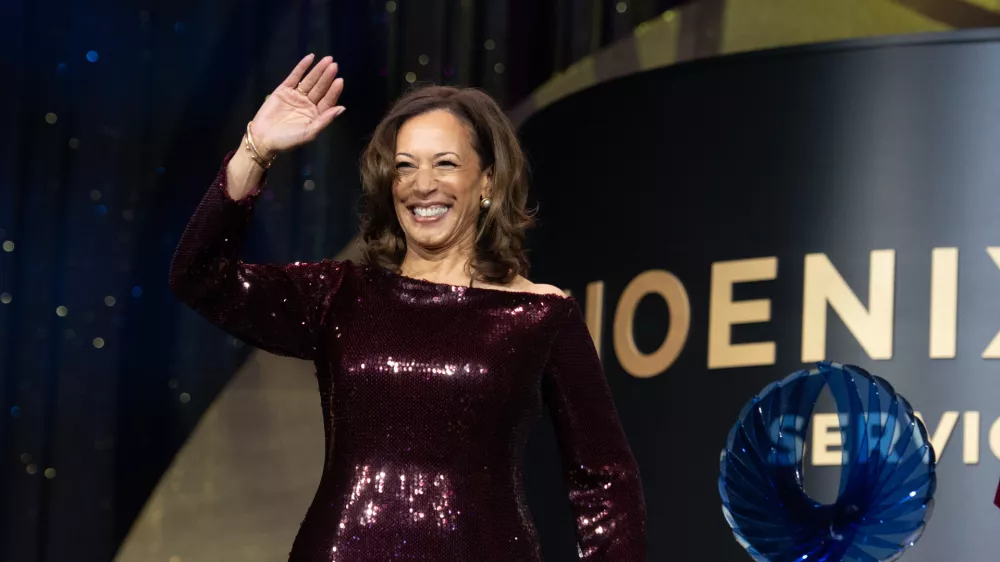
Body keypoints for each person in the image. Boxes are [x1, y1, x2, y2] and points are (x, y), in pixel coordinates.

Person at [169, 53, 646, 561]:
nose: (423, 185)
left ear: (487, 181)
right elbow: (201, 278)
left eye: (446, 163)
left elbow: (605, 480)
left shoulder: (540, 316)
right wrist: (255, 150)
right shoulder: (341, 295)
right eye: (405, 167)